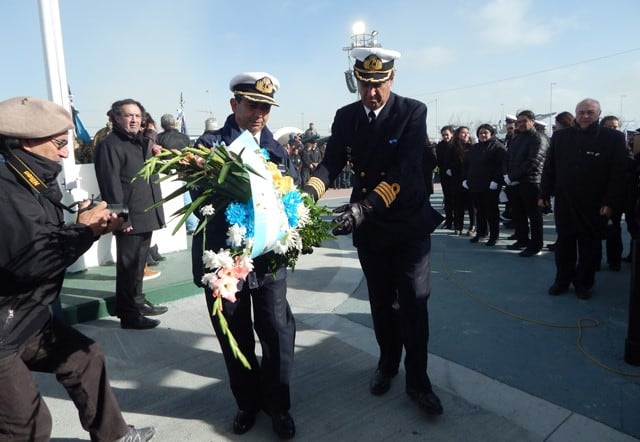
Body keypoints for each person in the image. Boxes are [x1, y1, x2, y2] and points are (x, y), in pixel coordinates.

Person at [0, 96, 155, 442]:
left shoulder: (28, 177)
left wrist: (88, 226)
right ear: (26, 142)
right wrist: (85, 230)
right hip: (3, 331)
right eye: (58, 144)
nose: (65, 153)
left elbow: (43, 238)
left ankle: (115, 436)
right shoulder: (7, 191)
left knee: (85, 357)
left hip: (24, 317)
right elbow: (35, 259)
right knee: (29, 424)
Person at [304, 46, 444, 416]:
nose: (372, 92)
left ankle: (418, 381)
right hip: (370, 228)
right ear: (358, 82)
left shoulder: (411, 111)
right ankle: (386, 364)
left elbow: (404, 169)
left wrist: (363, 207)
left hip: (407, 223)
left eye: (379, 83)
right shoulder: (346, 117)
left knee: (414, 302)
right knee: (381, 302)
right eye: (365, 84)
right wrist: (306, 194)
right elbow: (332, 161)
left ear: (392, 79)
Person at [192, 72, 299, 439]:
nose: (259, 114)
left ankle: (279, 405)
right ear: (233, 104)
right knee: (234, 336)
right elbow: (199, 202)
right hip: (225, 262)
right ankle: (247, 403)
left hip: (268, 262)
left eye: (266, 107)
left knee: (277, 332)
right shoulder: (207, 148)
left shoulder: (277, 150)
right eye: (252, 105)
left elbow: (290, 199)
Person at [539, 98, 628, 299]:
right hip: (566, 201)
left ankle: (583, 284)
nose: (585, 116)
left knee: (590, 246)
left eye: (590, 112)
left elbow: (618, 174)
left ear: (598, 114)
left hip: (595, 204)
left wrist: (610, 202)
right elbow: (549, 167)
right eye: (581, 112)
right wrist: (544, 193)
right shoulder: (561, 137)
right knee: (564, 244)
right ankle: (562, 280)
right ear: (576, 114)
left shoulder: (612, 138)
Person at [94, 99, 168, 330]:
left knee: (139, 264)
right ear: (116, 118)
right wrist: (121, 218)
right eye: (129, 115)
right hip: (130, 216)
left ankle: (137, 301)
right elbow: (110, 182)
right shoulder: (110, 144)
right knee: (127, 268)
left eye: (138, 115)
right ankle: (128, 314)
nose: (135, 119)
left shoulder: (141, 142)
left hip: (146, 211)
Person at [503, 110, 549, 257]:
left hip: (532, 182)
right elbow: (509, 158)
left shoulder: (539, 138)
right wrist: (508, 176)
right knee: (518, 214)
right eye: (519, 121)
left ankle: (536, 246)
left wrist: (513, 176)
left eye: (524, 121)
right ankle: (522, 239)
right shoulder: (518, 138)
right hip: (515, 183)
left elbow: (533, 161)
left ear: (532, 121)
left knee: (534, 216)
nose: (521, 124)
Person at [463, 124, 506, 246]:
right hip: (475, 185)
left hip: (490, 185)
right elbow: (467, 164)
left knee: (491, 212)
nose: (483, 135)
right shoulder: (475, 148)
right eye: (480, 133)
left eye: (485, 132)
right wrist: (465, 179)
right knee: (480, 211)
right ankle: (481, 233)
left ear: (491, 133)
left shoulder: (498, 147)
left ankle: (494, 236)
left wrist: (497, 180)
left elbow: (501, 166)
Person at [157, 113, 198, 234]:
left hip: (167, 173)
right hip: (185, 170)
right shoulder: (185, 137)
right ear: (174, 123)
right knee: (187, 197)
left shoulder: (159, 138)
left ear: (162, 125)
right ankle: (191, 225)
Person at [435, 125, 455, 228]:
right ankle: (448, 220)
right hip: (444, 175)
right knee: (447, 198)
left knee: (455, 198)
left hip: (455, 175)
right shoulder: (440, 146)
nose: (445, 137)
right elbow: (439, 160)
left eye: (447, 134)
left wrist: (452, 168)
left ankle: (457, 221)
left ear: (451, 134)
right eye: (443, 135)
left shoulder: (456, 144)